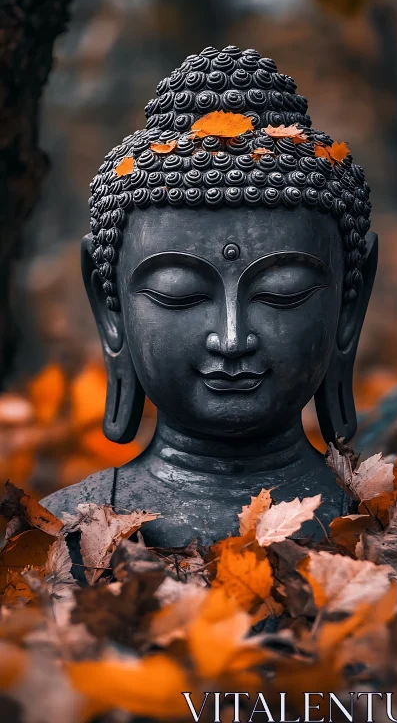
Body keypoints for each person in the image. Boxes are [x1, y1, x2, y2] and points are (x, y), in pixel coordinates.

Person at [41, 46, 377, 546]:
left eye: (283, 293)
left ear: (349, 304)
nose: (232, 338)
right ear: (110, 307)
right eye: (178, 295)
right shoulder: (56, 536)